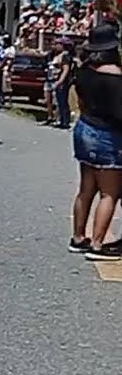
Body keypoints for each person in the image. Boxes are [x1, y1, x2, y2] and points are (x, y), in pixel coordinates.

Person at [68, 24, 122, 261]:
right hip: (107, 133)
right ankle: (98, 245)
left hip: (85, 128)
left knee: (86, 188)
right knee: (109, 193)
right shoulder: (116, 77)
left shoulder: (84, 71)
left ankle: (78, 238)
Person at [50, 39, 75, 129]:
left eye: (58, 44)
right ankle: (61, 120)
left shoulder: (65, 56)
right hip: (57, 79)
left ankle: (65, 121)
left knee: (63, 101)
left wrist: (60, 81)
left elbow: (65, 70)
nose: (56, 46)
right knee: (60, 101)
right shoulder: (59, 55)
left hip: (63, 82)